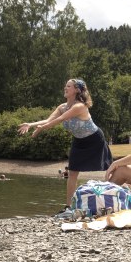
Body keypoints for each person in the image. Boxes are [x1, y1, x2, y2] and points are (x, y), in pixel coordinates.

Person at [18, 79, 112, 218]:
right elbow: (49, 120)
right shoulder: (62, 106)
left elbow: (60, 120)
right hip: (79, 141)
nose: (65, 88)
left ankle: (120, 192)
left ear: (77, 90)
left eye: (68, 86)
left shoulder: (79, 106)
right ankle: (68, 207)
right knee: (72, 173)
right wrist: (31, 124)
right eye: (65, 85)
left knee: (108, 167)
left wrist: (42, 129)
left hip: (94, 140)